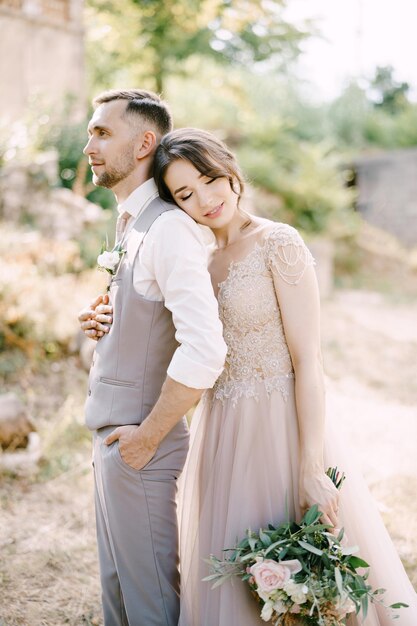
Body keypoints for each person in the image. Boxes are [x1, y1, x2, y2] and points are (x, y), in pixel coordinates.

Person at [151, 128, 417, 626]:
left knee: (306, 577)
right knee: (234, 575)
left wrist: (311, 466)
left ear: (231, 173)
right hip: (221, 433)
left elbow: (308, 362)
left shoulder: (278, 242)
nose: (205, 199)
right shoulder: (194, 261)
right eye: (185, 194)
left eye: (210, 180)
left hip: (283, 427)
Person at [78, 93, 227, 626]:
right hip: (113, 442)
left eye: (101, 133)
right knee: (118, 598)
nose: (89, 146)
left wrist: (147, 437)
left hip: (139, 446)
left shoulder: (168, 228)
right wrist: (100, 324)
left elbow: (205, 346)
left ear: (144, 142)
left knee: (150, 607)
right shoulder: (131, 222)